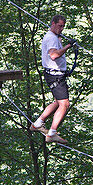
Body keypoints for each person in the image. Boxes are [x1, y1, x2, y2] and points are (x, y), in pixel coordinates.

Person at [30, 15, 76, 144]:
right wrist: (68, 46)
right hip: (55, 75)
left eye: (63, 26)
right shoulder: (51, 38)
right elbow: (54, 55)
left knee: (58, 102)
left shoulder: (53, 37)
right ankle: (52, 133)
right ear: (53, 24)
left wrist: (61, 41)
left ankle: (38, 123)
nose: (61, 29)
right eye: (59, 26)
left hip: (54, 74)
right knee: (64, 104)